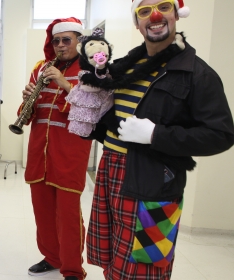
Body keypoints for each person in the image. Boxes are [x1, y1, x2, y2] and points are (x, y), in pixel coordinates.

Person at [85, 0, 234, 279]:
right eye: (144, 11)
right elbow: (111, 116)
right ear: (137, 23)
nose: (154, 15)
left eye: (164, 6)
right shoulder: (124, 67)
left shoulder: (197, 73)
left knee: (145, 268)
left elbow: (221, 134)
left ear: (177, 14)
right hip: (110, 171)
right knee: (111, 261)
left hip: (154, 179)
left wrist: (156, 135)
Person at [20, 17, 91, 280]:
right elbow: (27, 114)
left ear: (79, 41)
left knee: (69, 215)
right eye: (56, 41)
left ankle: (72, 268)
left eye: (66, 40)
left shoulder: (89, 69)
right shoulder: (41, 67)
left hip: (70, 152)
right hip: (40, 151)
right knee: (43, 211)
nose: (60, 45)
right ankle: (52, 257)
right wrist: (28, 99)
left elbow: (92, 110)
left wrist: (64, 83)